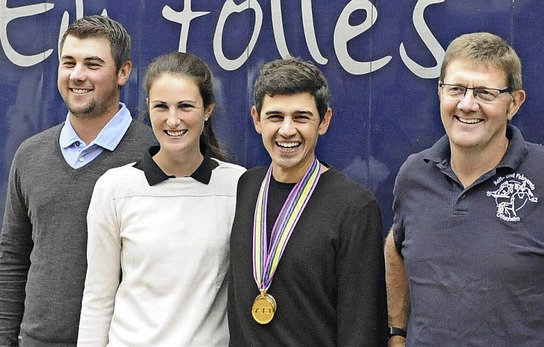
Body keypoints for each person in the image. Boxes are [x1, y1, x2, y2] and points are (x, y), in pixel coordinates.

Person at [385, 32, 544, 346]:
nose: (467, 104)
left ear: (514, 103)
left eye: (485, 93)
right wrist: (397, 333)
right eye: (456, 89)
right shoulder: (415, 174)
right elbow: (396, 244)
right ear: (440, 93)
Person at [0, 15, 156, 346]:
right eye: (68, 62)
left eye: (93, 64)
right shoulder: (30, 155)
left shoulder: (153, 154)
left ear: (123, 73)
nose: (77, 75)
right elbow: (13, 257)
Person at [76, 51, 245, 345]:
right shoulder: (115, 188)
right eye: (161, 107)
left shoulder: (238, 185)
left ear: (208, 109)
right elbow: (98, 298)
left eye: (185, 106)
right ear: (148, 108)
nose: (173, 119)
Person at [227, 57, 387, 346]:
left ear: (323, 121)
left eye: (301, 117)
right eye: (275, 117)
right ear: (256, 119)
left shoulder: (354, 207)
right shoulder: (247, 187)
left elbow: (362, 327)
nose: (287, 130)